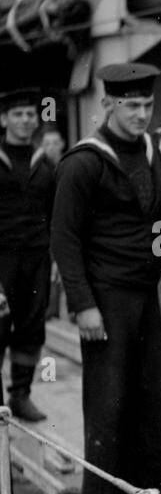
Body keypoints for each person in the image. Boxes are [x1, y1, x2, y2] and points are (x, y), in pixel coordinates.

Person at [50, 62, 161, 494]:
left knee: (155, 392)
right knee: (109, 396)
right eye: (132, 105)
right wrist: (83, 306)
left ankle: (149, 488)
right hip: (104, 297)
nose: (142, 114)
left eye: (147, 104)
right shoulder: (84, 162)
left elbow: (160, 216)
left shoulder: (150, 148)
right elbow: (64, 239)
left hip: (144, 293)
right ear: (107, 105)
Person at [0, 88, 56, 428]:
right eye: (17, 114)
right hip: (1, 260)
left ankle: (20, 394)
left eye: (30, 115)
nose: (25, 120)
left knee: (32, 327)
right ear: (4, 119)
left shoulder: (44, 164)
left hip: (36, 259)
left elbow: (53, 214)